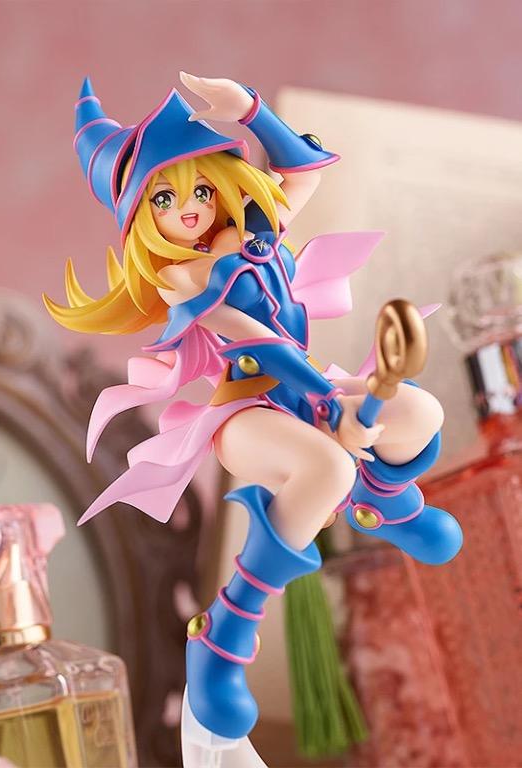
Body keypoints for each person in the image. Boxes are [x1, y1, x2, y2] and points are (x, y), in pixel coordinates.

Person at [44, 72, 462, 743]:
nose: (188, 208)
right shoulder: (183, 275)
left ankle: (379, 500)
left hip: (307, 393)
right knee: (326, 466)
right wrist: (324, 399)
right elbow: (255, 341)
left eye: (200, 189)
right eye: (164, 198)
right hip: (244, 411)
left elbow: (305, 169)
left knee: (418, 415)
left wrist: (249, 111)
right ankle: (224, 635)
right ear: (143, 219)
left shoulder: (258, 232)